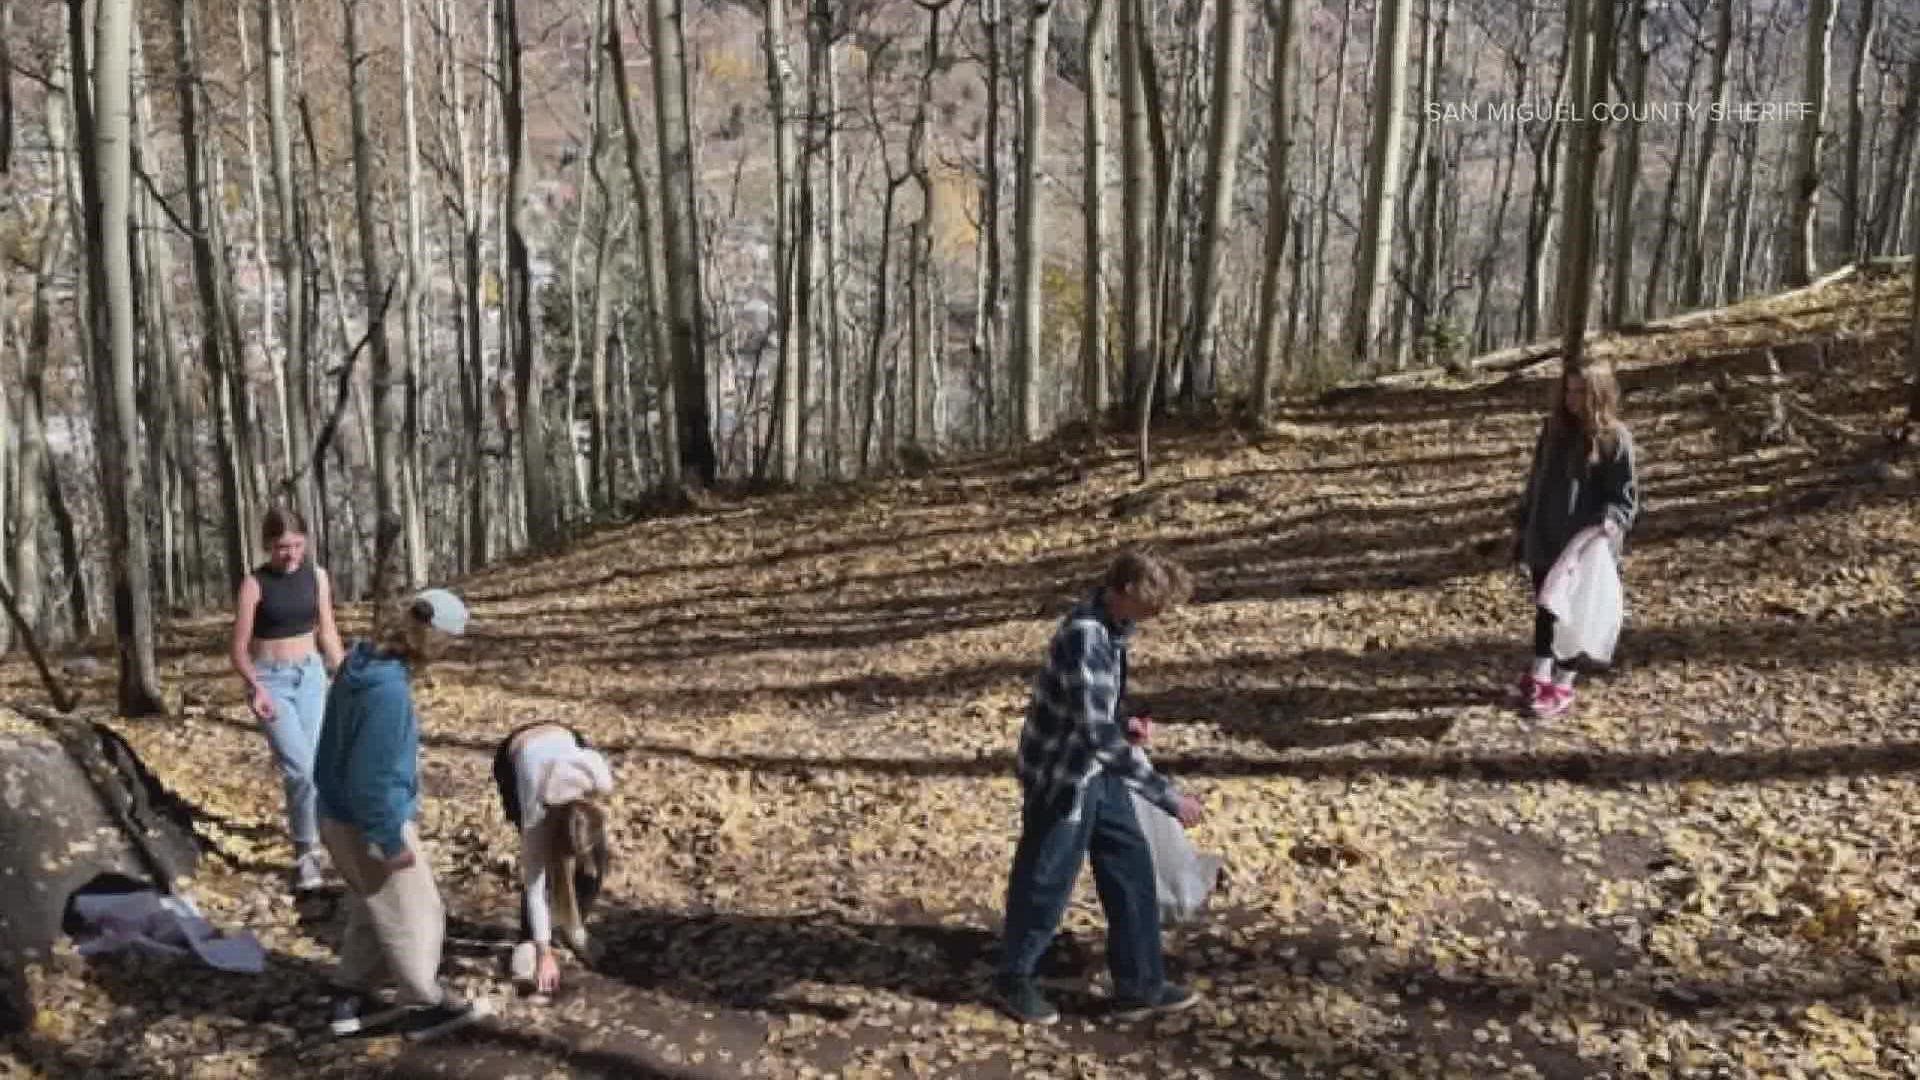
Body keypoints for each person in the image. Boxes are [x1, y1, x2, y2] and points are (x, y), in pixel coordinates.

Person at [991, 549, 1207, 1026]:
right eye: (1152, 605)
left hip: (1098, 771)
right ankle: (1015, 976)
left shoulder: (1112, 629)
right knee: (1045, 878)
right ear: (1124, 592)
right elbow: (1094, 734)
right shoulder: (1085, 635)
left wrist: (1125, 721)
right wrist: (1169, 798)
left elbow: (1099, 712)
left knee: (1130, 866)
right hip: (1063, 776)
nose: (1158, 615)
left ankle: (1140, 983)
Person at [315, 587, 488, 1040]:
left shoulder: (360, 663)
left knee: (374, 908)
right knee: (417, 910)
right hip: (365, 821)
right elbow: (372, 779)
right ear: (433, 642)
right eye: (449, 643)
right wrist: (389, 840)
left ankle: (351, 998)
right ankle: (422, 1006)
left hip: (335, 813)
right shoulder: (388, 692)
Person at [1512, 362, 1640, 718]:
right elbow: (1536, 480)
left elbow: (1624, 498)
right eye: (1568, 391)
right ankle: (1539, 670)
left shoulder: (1615, 438)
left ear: (1598, 393)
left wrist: (1610, 523)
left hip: (1585, 544)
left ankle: (1563, 681)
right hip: (1545, 533)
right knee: (1546, 605)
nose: (1572, 399)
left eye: (1581, 391)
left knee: (1572, 614)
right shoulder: (1553, 430)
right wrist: (1523, 521)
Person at [229, 507, 345, 893]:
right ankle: (304, 853)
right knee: (300, 769)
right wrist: (255, 686)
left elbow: (327, 633)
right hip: (271, 681)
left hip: (311, 676)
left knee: (319, 768)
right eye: (282, 547)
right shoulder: (254, 584)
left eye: (297, 545)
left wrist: (343, 673)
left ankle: (324, 841)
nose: (291, 554)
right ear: (267, 546)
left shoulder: (318, 577)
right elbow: (239, 649)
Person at [491, 722, 613, 994]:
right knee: (543, 874)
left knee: (595, 862)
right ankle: (528, 940)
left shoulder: (598, 779)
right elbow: (535, 888)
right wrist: (544, 954)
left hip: (565, 735)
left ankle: (574, 926)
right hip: (518, 755)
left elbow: (588, 823)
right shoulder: (536, 818)